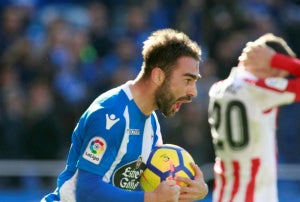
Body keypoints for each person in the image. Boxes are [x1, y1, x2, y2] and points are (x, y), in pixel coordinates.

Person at [42, 28, 208, 202]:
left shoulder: (151, 122)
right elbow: (86, 190)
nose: (193, 92)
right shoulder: (111, 114)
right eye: (188, 80)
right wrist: (151, 198)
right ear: (159, 76)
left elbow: (152, 181)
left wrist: (194, 189)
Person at [207, 33, 300, 202]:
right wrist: (276, 59)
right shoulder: (259, 90)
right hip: (253, 195)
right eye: (282, 74)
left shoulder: (217, 88)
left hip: (224, 193)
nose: (281, 78)